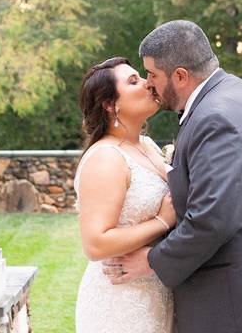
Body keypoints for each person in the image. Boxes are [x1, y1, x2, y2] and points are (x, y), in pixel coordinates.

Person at [104, 20, 242, 333]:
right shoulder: (230, 92)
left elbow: (212, 220)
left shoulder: (215, 118)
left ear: (180, 76)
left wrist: (152, 260)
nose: (148, 83)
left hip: (240, 299)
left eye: (152, 74)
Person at [73, 57, 177, 333]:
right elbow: (96, 243)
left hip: (155, 290)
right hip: (119, 301)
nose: (147, 83)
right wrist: (161, 221)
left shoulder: (146, 145)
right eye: (133, 81)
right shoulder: (106, 157)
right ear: (110, 104)